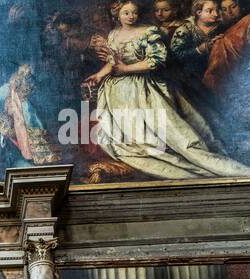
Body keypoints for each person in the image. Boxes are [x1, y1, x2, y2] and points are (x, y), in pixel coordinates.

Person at [84, 1, 250, 179]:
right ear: (118, 15)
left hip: (144, 89)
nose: (131, 16)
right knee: (127, 137)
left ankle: (210, 165)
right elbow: (112, 62)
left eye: (134, 13)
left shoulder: (148, 31)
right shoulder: (113, 34)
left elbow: (157, 60)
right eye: (126, 13)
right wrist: (100, 75)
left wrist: (125, 69)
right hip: (116, 93)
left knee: (173, 133)